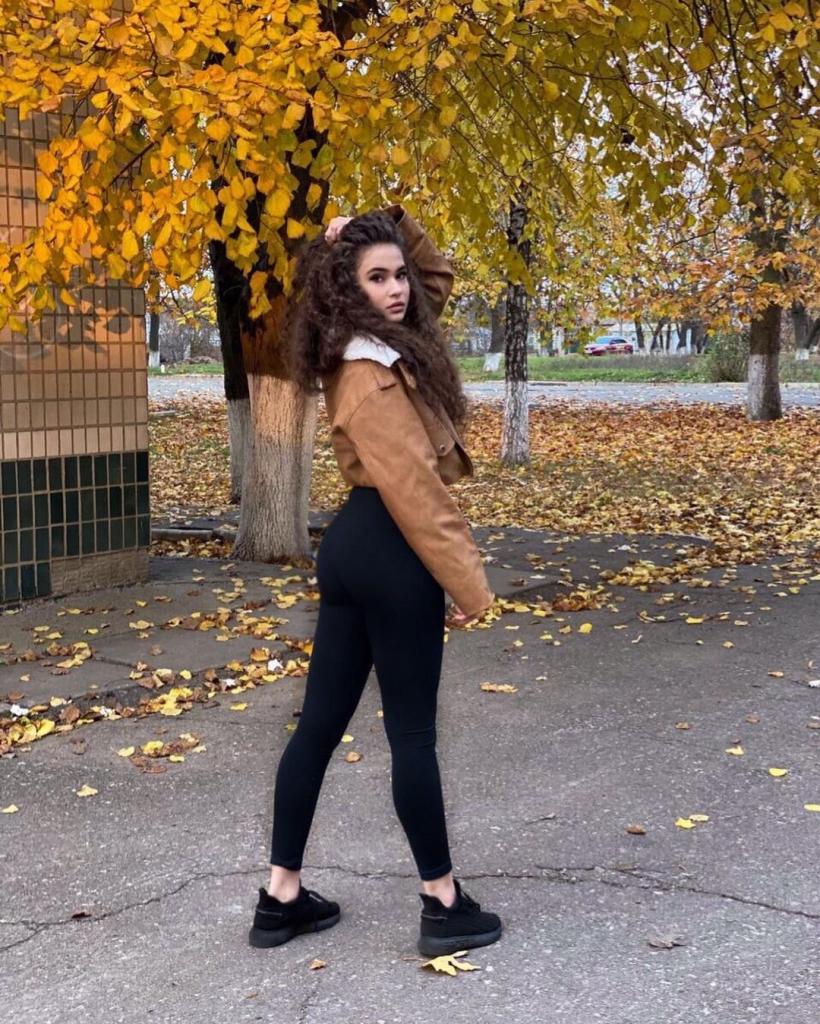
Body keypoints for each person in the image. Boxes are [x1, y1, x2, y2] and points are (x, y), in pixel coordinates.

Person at [248, 206, 501, 957]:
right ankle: (443, 903)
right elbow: (416, 492)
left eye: (398, 276)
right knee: (412, 733)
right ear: (348, 290)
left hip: (355, 546)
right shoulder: (370, 373)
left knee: (319, 725)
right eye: (378, 279)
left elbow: (435, 274)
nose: (398, 289)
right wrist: (469, 584)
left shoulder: (376, 342)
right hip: (391, 549)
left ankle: (281, 898)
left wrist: (377, 223)